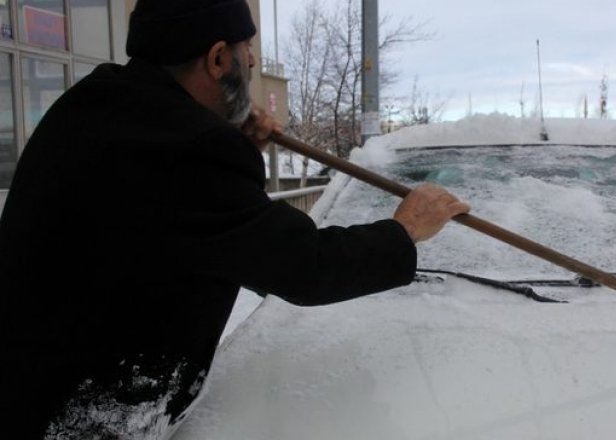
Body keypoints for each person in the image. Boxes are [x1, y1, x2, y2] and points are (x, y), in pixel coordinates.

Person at [0, 0, 469, 438]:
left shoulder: (97, 103)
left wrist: (232, 139)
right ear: (219, 58)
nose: (250, 64)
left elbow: (191, 221)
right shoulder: (189, 148)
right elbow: (304, 267)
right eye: (248, 50)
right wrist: (404, 229)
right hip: (75, 420)